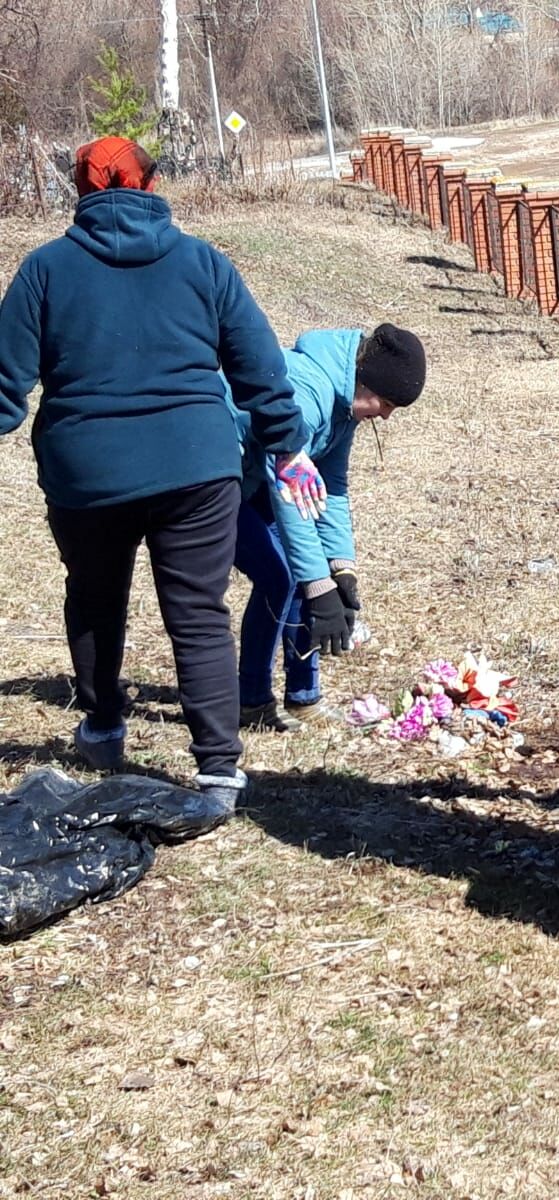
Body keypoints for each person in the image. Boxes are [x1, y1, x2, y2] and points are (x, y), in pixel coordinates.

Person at [0, 137, 321, 806]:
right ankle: (217, 771)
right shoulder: (203, 262)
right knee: (200, 615)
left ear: (79, 190)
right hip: (197, 468)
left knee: (94, 598)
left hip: (88, 475)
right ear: (149, 184)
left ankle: (104, 724)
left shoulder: (45, 270)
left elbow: (6, 388)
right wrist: (286, 447)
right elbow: (260, 369)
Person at [230, 324, 427, 732]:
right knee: (281, 576)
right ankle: (251, 701)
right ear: (365, 381)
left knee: (311, 576)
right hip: (218, 476)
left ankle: (304, 697)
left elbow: (329, 485)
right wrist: (318, 586)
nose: (386, 416)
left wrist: (342, 568)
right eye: (386, 402)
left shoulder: (346, 405)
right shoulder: (309, 392)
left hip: (261, 478)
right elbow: (288, 491)